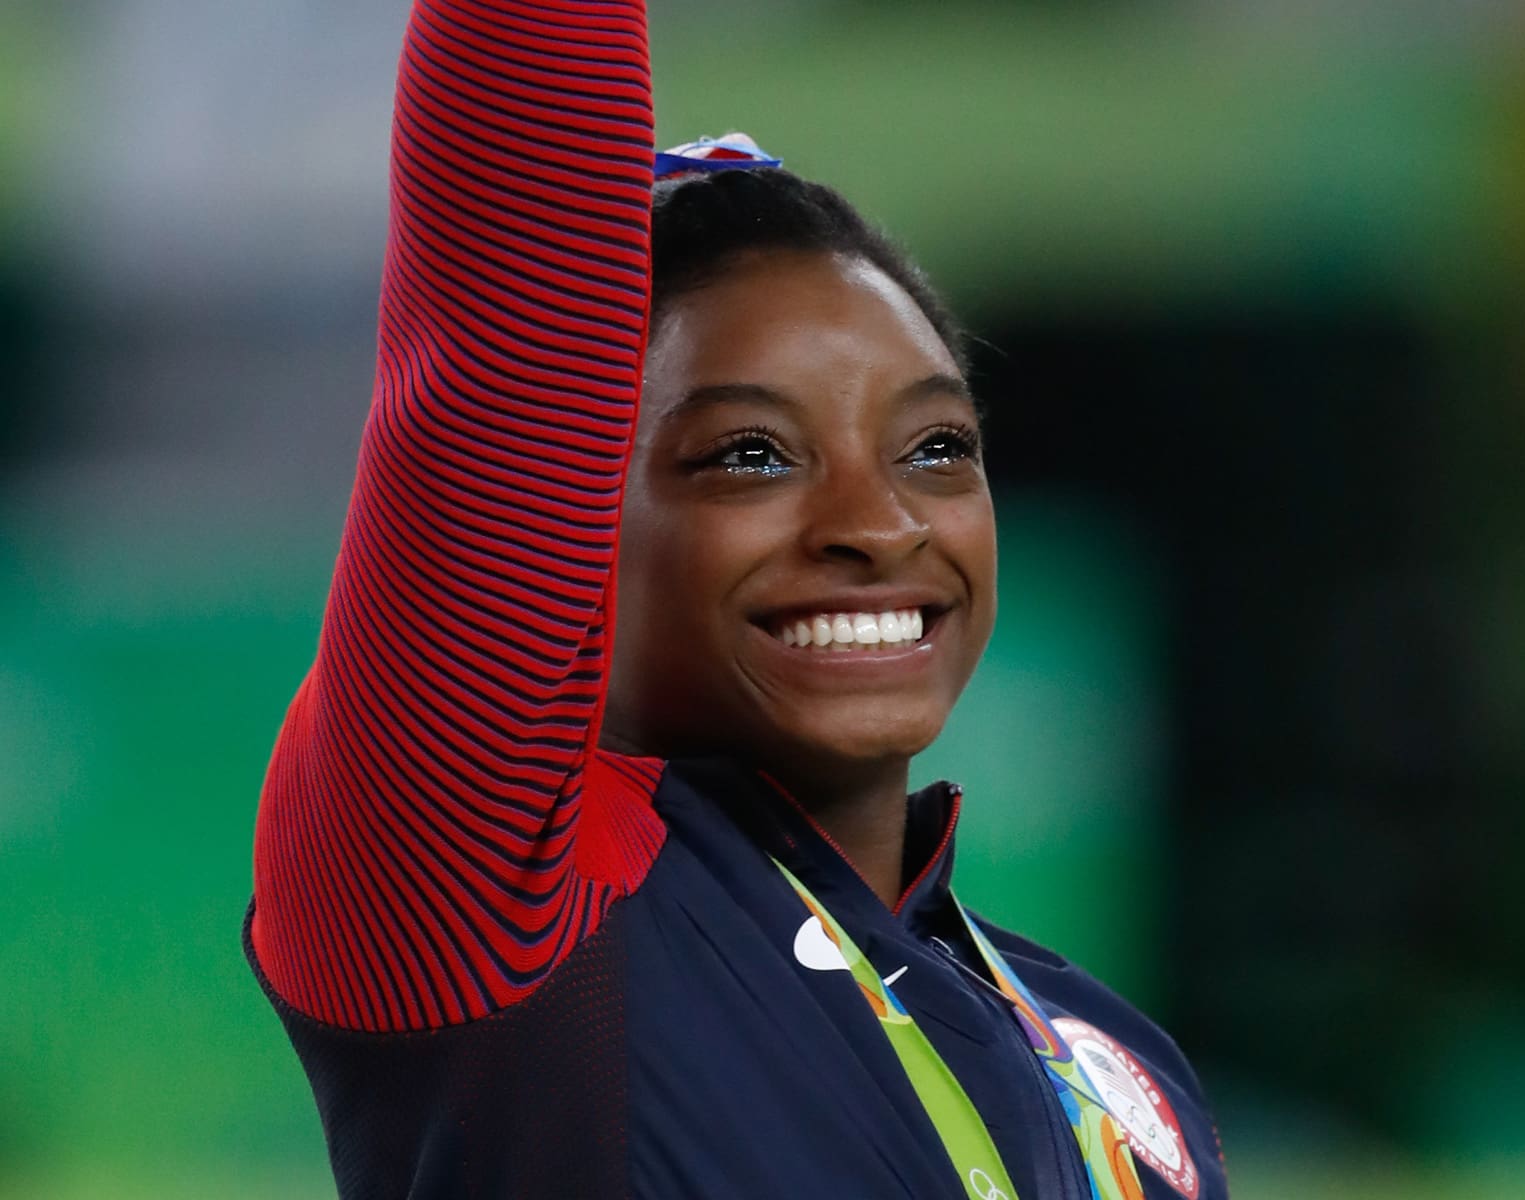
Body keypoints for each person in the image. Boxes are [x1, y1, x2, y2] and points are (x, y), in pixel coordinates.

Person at [245, 2, 1228, 1198]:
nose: (879, 526)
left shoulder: (1113, 1065)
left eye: (933, 448)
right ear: (568, 527)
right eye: (749, 455)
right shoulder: (499, 921)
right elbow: (513, 337)